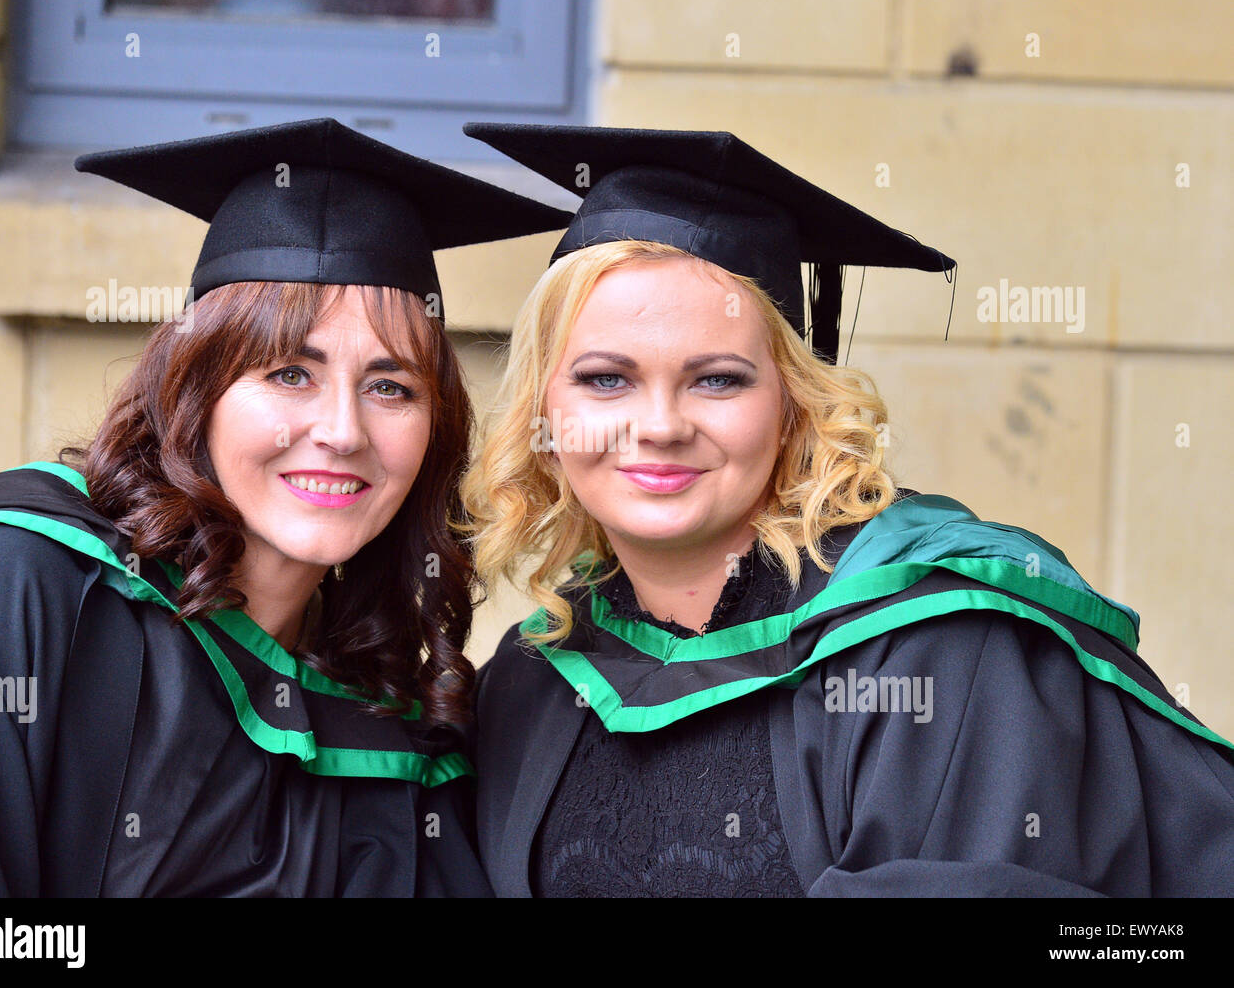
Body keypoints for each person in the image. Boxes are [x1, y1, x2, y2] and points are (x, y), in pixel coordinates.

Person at [460, 123, 1234, 897]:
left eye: (718, 380)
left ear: (795, 405)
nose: (660, 426)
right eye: (605, 379)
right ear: (544, 414)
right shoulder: (531, 685)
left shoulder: (939, 652)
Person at [0, 117, 570, 896]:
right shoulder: (13, 588)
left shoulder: (393, 724)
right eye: (289, 374)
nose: (342, 432)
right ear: (195, 391)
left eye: (391, 387)